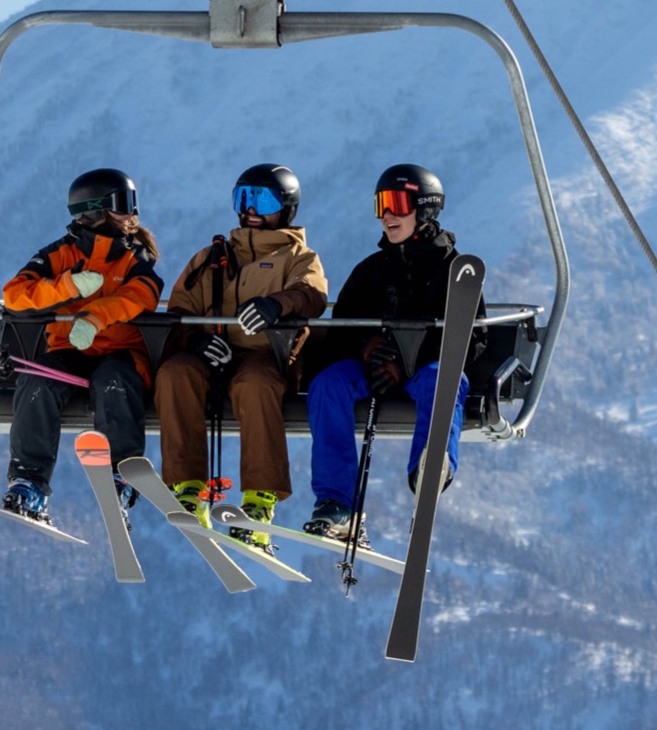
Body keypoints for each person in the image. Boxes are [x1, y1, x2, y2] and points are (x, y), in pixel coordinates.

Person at [303, 163, 484, 540]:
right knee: (329, 385)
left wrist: (408, 362)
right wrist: (365, 349)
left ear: (426, 209)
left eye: (398, 204)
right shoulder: (372, 271)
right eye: (381, 204)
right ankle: (337, 504)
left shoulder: (454, 272)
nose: (387, 215)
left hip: (423, 373)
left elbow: (472, 339)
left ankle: (429, 467)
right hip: (371, 373)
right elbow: (342, 329)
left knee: (444, 378)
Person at [154, 162, 328, 547]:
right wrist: (194, 341)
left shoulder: (297, 256)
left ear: (285, 207)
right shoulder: (212, 258)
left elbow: (312, 294)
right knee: (175, 372)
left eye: (261, 198)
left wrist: (276, 305)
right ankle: (187, 487)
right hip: (212, 353)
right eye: (242, 197)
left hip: (263, 355)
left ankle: (259, 500)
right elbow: (180, 311)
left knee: (255, 382)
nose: (249, 208)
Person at [0, 168, 161, 522]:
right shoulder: (61, 255)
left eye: (133, 204)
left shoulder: (134, 257)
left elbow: (142, 294)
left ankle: (122, 474)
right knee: (37, 383)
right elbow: (15, 295)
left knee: (114, 383)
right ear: (95, 210)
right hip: (69, 351)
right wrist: (67, 287)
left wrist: (95, 317)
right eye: (122, 205)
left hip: (121, 351)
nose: (132, 214)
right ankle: (29, 481)